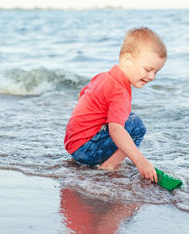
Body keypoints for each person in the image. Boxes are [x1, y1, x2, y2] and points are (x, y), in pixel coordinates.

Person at [64, 27, 167, 183]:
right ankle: (109, 165)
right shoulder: (119, 91)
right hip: (87, 151)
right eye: (148, 69)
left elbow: (82, 95)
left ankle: (103, 158)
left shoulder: (103, 77)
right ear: (127, 60)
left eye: (156, 72)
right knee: (136, 125)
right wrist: (141, 162)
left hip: (74, 145)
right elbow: (116, 130)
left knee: (126, 118)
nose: (152, 76)